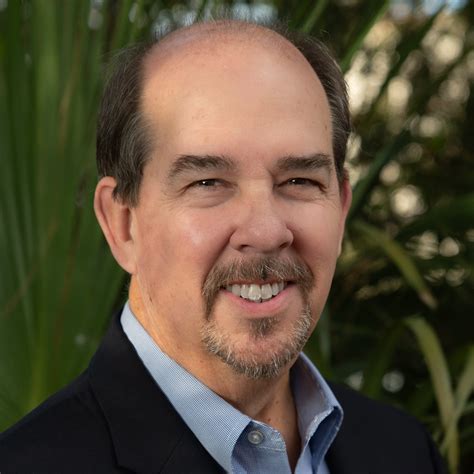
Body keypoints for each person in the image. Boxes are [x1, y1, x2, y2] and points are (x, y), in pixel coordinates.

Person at [0, 18, 445, 473]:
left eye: (299, 180)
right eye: (208, 183)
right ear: (123, 225)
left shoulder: (405, 452)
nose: (265, 232)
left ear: (341, 207)